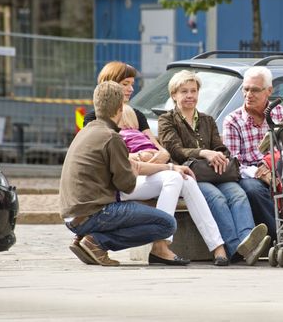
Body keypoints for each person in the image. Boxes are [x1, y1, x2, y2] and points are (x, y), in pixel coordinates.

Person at [158, 70, 270, 266]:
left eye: (193, 91)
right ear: (174, 95)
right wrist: (203, 153)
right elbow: (175, 150)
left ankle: (249, 243)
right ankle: (234, 247)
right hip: (191, 174)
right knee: (217, 198)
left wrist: (220, 156)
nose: (190, 95)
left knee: (238, 194)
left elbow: (219, 147)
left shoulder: (207, 119)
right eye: (184, 91)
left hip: (215, 172)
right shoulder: (167, 120)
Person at [59, 81, 176, 266]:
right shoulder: (112, 137)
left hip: (71, 216)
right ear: (121, 108)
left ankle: (88, 239)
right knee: (167, 224)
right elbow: (127, 186)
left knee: (143, 212)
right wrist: (136, 167)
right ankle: (97, 242)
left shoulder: (85, 131)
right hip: (94, 213)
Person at [119, 104, 229, 266]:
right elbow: (122, 159)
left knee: (186, 179)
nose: (130, 88)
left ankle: (217, 246)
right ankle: (161, 244)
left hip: (148, 174)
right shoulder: (108, 128)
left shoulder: (137, 127)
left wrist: (159, 156)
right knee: (175, 177)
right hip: (126, 182)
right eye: (125, 84)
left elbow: (162, 150)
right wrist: (144, 156)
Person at [222, 66, 283, 242]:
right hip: (250, 174)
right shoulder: (233, 120)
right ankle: (282, 239)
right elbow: (234, 162)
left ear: (269, 91)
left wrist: (271, 167)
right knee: (253, 190)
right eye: (246, 89)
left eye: (255, 90)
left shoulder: (282, 114)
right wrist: (260, 173)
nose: (248, 94)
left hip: (280, 169)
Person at [84, 61, 170, 164]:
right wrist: (140, 155)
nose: (131, 89)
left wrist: (165, 154)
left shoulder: (137, 114)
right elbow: (98, 154)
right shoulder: (92, 118)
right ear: (109, 84)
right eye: (125, 84)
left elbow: (155, 145)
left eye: (132, 84)